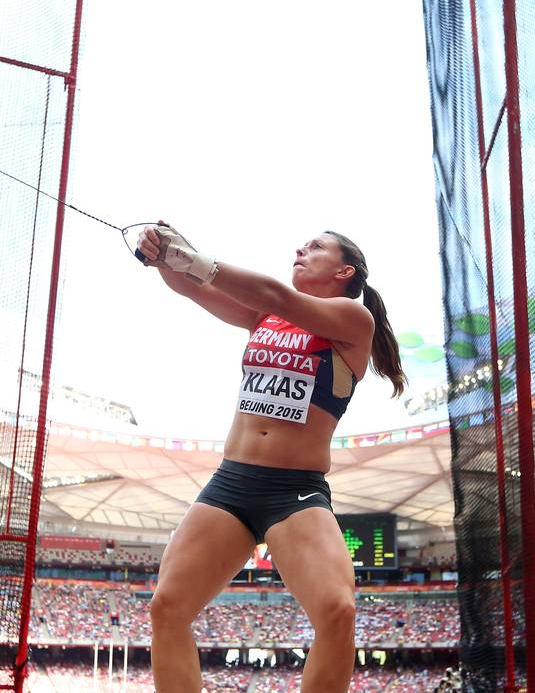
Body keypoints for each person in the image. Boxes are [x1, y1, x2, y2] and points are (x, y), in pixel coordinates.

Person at [136, 222, 405, 693]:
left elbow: (275, 294)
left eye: (316, 246)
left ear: (345, 271)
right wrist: (162, 253)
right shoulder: (266, 317)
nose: (301, 248)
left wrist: (193, 258)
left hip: (294, 492)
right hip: (231, 484)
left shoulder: (352, 319)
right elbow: (190, 286)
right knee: (167, 607)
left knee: (338, 610)